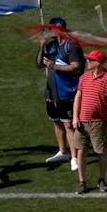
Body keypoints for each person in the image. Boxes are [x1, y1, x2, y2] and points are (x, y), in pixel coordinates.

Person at [72, 50, 107, 194]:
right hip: (82, 122)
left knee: (100, 152)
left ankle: (101, 180)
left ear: (99, 62)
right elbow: (78, 97)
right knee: (81, 151)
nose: (87, 62)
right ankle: (82, 182)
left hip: (99, 123)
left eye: (90, 60)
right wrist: (75, 117)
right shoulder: (84, 77)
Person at [36, 17, 85, 171]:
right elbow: (38, 64)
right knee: (57, 122)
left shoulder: (72, 46)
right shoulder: (51, 46)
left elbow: (76, 68)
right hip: (52, 91)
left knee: (68, 124)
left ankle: (74, 157)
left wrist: (54, 66)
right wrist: (42, 46)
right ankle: (62, 151)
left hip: (68, 91)